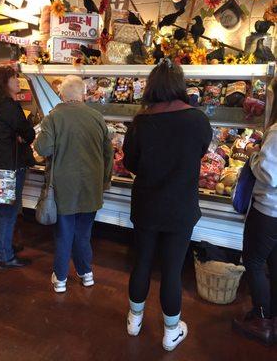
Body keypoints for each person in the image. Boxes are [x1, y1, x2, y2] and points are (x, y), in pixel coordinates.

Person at [122, 59, 212, 351]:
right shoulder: (197, 119)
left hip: (146, 204)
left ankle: (134, 321)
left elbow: (131, 162)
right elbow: (199, 154)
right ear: (179, 85)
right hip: (180, 207)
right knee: (172, 271)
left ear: (152, 86)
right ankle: (171, 332)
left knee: (142, 263)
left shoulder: (140, 122)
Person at [34, 75, 113, 293]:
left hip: (64, 186)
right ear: (83, 94)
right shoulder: (96, 117)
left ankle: (60, 278)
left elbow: (42, 149)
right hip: (91, 186)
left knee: (64, 232)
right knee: (84, 233)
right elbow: (109, 152)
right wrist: (105, 180)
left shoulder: (53, 118)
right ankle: (86, 273)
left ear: (62, 94)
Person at [233, 78, 277, 346]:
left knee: (254, 261)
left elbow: (269, 174)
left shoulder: (276, 132)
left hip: (269, 208)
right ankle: (272, 315)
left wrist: (253, 154)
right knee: (273, 262)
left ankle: (262, 318)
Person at [0, 64, 35, 269]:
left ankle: (5, 247)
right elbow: (28, 133)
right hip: (11, 166)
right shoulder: (9, 106)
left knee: (1, 210)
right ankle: (5, 257)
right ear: (4, 82)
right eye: (14, 77)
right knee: (8, 211)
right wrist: (22, 136)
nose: (17, 81)